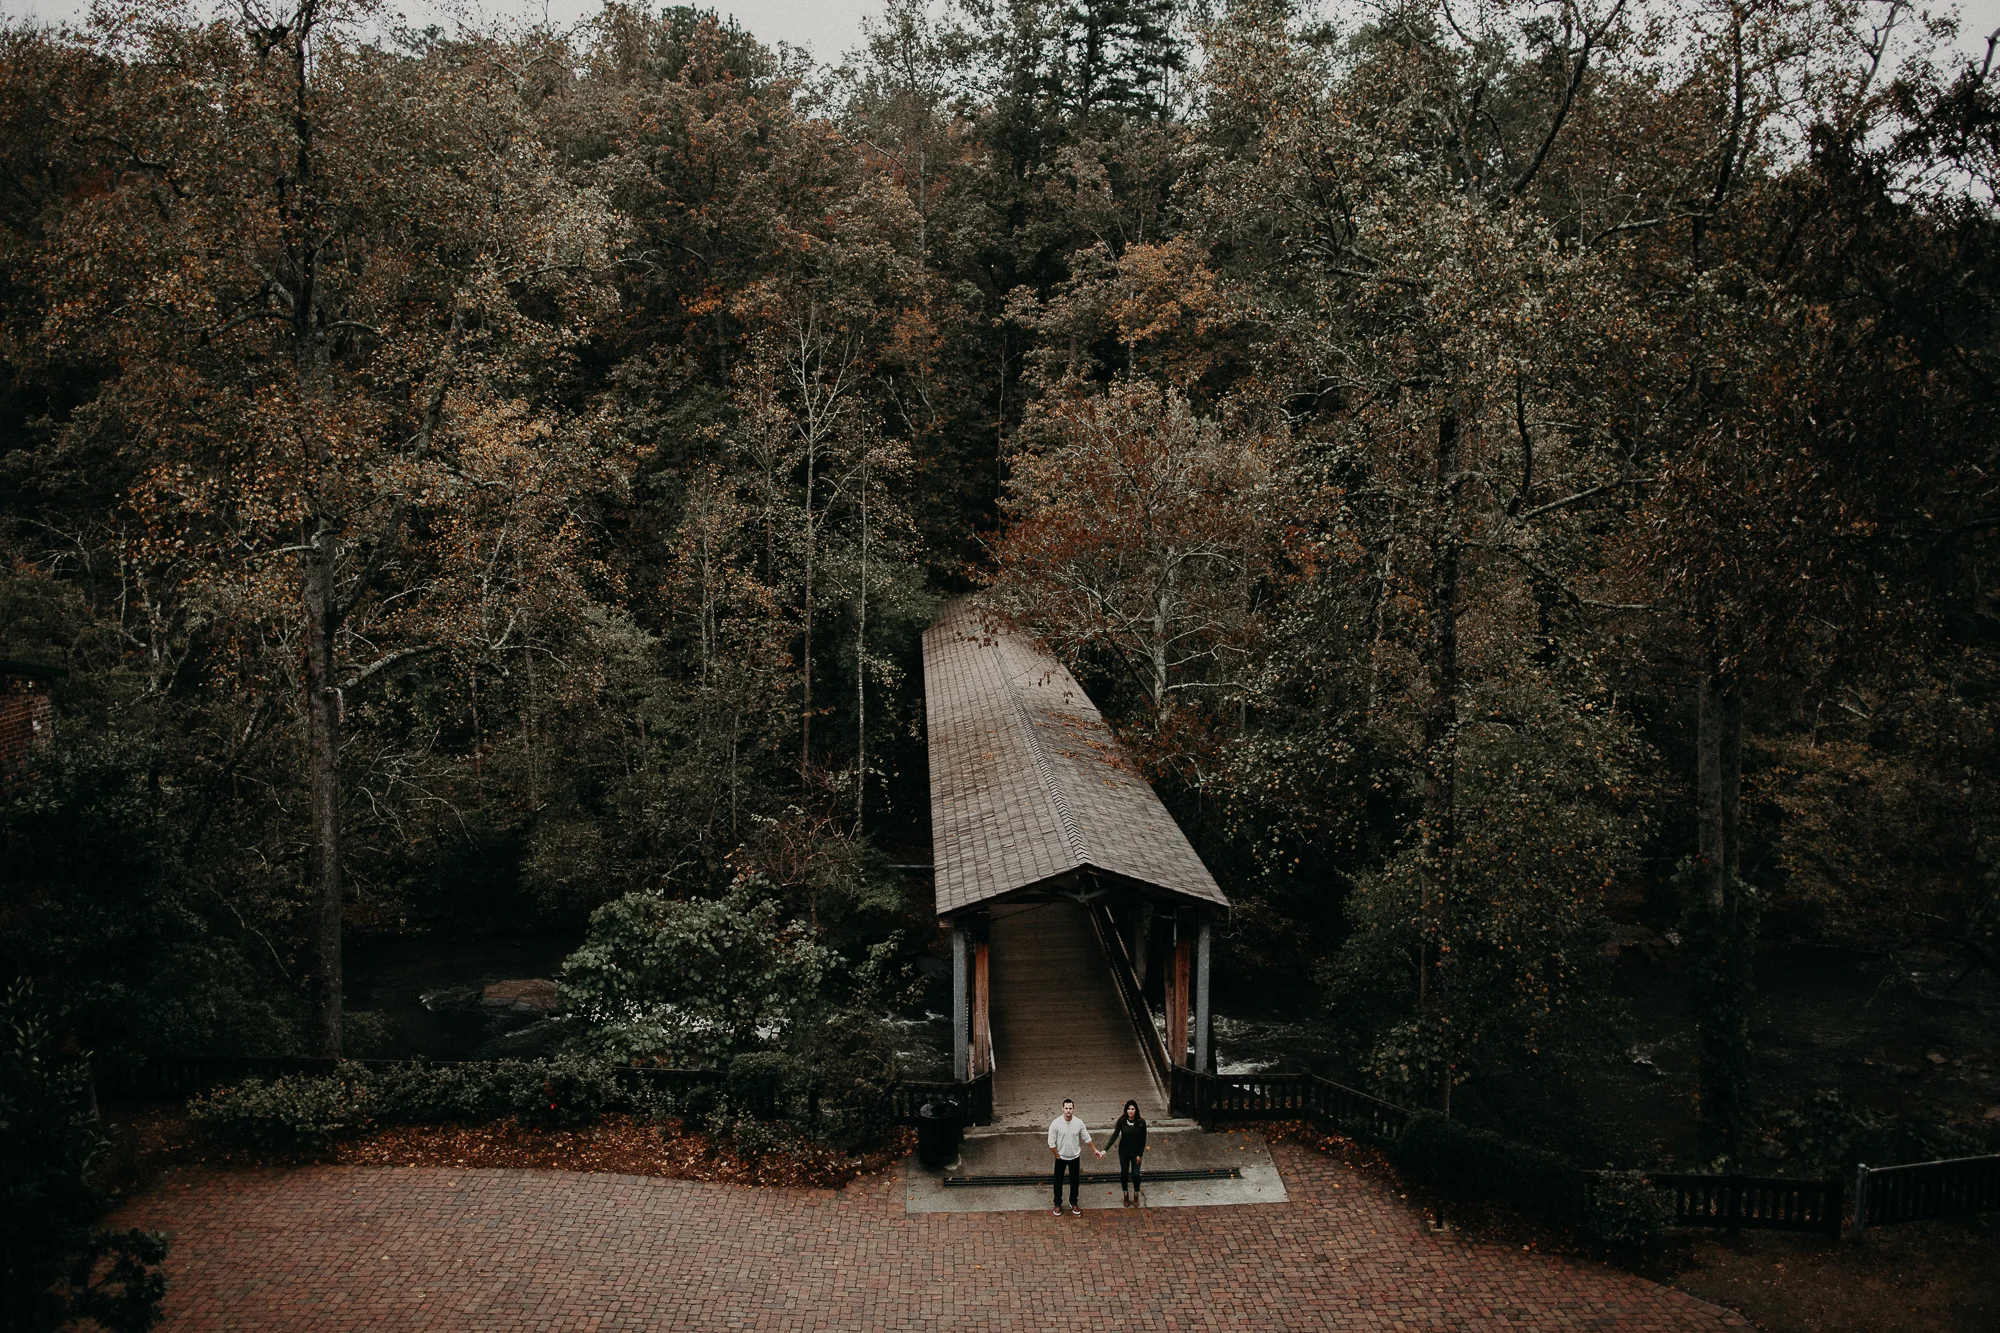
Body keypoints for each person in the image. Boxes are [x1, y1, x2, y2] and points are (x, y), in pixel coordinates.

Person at [1047, 1097, 1103, 1216]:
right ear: (1062, 1109)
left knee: (1075, 1181)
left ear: (1073, 1109)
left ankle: (1074, 1202)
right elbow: (1051, 1143)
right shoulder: (1055, 1123)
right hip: (1061, 1157)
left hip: (1074, 1157)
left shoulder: (1079, 1123)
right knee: (1058, 1181)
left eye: (1070, 1108)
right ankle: (1057, 1203)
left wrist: (1095, 1150)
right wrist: (1057, 1156)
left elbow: (1086, 1138)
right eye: (1066, 1108)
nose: (1068, 1111)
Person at [1105, 1099, 1147, 1206]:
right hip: (1124, 1152)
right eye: (1129, 1109)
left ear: (1136, 1110)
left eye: (1132, 1109)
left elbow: (1143, 1140)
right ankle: (1125, 1195)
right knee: (1124, 1173)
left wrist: (1140, 1154)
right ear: (1126, 1110)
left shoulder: (1141, 1122)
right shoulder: (1122, 1121)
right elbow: (1115, 1135)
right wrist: (1105, 1149)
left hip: (1136, 1152)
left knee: (1136, 1174)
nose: (1131, 1111)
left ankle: (1136, 1195)